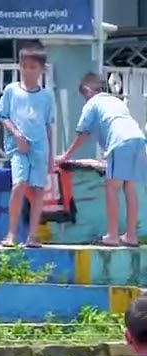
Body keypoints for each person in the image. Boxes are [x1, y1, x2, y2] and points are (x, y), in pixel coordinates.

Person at [57, 73, 147, 247]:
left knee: (112, 187)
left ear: (87, 90)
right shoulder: (116, 101)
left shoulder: (93, 103)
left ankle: (112, 235)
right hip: (138, 139)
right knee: (129, 186)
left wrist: (66, 155)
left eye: (84, 96)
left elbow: (83, 133)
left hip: (120, 141)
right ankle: (131, 236)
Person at [0, 42, 56, 249]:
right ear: (19, 66)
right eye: (25, 66)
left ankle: (32, 235)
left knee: (38, 190)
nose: (28, 71)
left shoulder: (46, 95)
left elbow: (48, 126)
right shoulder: (11, 90)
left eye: (33, 67)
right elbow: (3, 117)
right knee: (19, 184)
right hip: (18, 147)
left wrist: (51, 158)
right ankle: (11, 234)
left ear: (41, 69)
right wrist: (18, 136)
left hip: (40, 148)